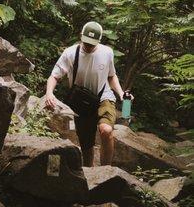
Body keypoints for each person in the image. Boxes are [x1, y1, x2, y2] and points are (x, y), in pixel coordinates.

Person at [45, 21, 133, 167]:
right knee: (86, 145)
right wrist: (49, 93)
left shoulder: (107, 52)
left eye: (92, 43)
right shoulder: (70, 53)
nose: (89, 46)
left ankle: (106, 172)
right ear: (81, 37)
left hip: (103, 96)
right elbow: (54, 76)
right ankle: (89, 173)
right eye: (86, 42)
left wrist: (121, 93)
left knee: (106, 130)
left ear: (99, 41)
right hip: (81, 102)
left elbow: (111, 76)